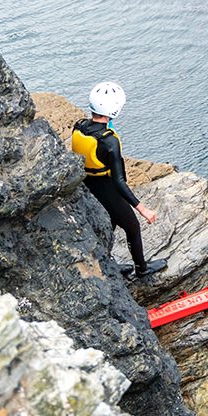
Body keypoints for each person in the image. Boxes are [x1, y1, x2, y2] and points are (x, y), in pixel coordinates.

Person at [71, 82, 166, 278]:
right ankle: (142, 268)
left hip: (88, 187)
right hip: (107, 189)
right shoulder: (109, 141)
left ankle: (106, 264)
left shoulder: (79, 126)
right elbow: (119, 181)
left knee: (108, 226)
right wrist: (143, 209)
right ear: (114, 109)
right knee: (132, 227)